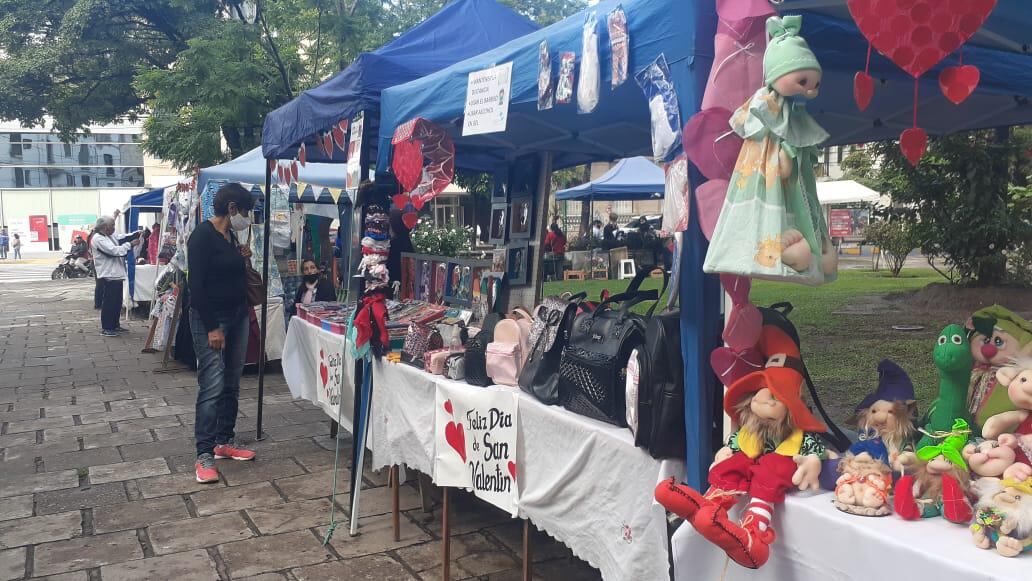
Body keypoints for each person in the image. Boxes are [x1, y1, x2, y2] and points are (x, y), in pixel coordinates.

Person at [187, 183, 256, 484]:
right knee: (212, 385)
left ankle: (224, 439)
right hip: (211, 319)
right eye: (245, 211)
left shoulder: (231, 236)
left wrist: (243, 256)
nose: (247, 218)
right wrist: (213, 327)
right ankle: (203, 453)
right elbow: (197, 287)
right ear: (231, 209)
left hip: (238, 314)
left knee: (232, 382)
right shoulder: (202, 236)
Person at [91, 216, 139, 336]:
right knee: (109, 303)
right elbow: (114, 251)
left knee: (117, 302)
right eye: (112, 225)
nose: (114, 227)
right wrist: (130, 245)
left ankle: (115, 325)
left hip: (116, 274)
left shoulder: (109, 236)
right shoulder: (98, 239)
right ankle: (107, 327)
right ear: (105, 227)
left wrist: (135, 234)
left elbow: (120, 237)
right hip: (108, 274)